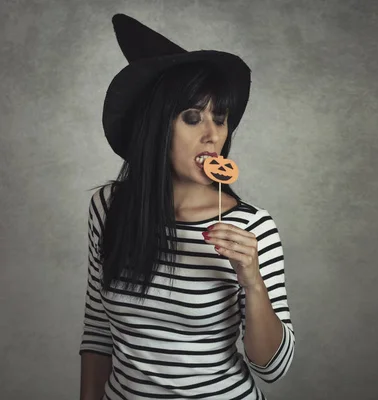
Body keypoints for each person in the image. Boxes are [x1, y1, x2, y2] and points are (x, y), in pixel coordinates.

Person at [79, 14, 295, 400]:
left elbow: (273, 367)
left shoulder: (253, 226)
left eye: (220, 118)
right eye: (192, 118)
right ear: (156, 126)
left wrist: (252, 280)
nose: (212, 136)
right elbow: (97, 330)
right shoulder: (108, 207)